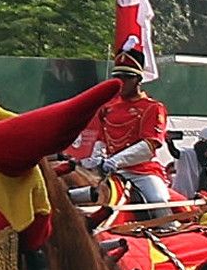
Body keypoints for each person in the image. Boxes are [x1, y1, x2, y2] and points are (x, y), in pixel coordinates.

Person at [71, 46, 173, 208]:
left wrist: (116, 161)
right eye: (118, 77)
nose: (121, 83)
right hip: (109, 171)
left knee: (158, 200)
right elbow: (102, 139)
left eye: (127, 78)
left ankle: (167, 228)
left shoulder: (152, 107)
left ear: (138, 80)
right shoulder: (108, 107)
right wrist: (96, 158)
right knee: (73, 194)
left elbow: (149, 145)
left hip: (141, 172)